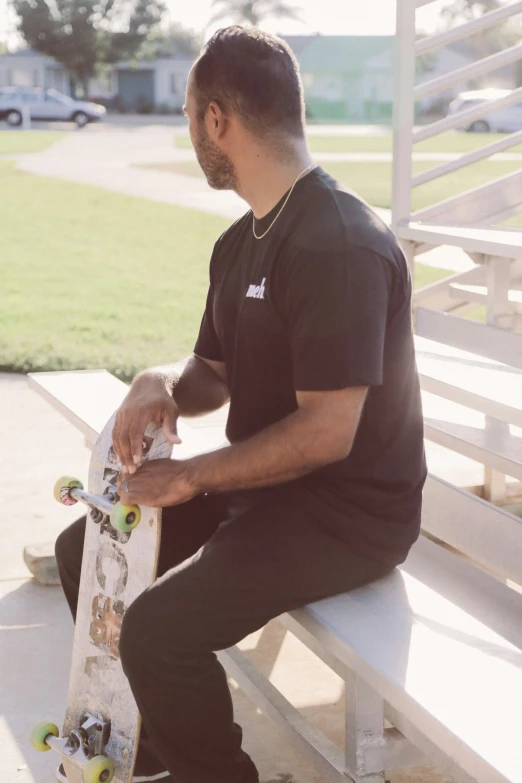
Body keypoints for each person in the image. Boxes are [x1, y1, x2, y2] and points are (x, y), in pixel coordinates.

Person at [55, 25, 427, 783]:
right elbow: (211, 373)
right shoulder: (240, 241)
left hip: (348, 513)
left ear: (217, 119)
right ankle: (154, 746)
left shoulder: (340, 243)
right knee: (82, 552)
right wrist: (158, 382)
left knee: (158, 630)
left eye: (190, 114)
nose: (189, 130)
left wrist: (194, 476)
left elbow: (328, 432)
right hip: (265, 490)